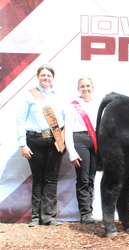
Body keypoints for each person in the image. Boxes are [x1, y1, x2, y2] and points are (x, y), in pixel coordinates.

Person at [16, 64, 65, 227]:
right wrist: (23, 144)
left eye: (48, 75)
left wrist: (62, 139)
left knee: (51, 179)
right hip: (34, 141)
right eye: (43, 75)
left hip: (54, 141)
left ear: (53, 78)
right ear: (38, 77)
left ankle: (49, 217)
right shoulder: (29, 96)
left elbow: (65, 118)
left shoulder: (59, 95)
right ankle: (36, 217)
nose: (46, 78)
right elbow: (20, 121)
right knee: (38, 179)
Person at [65, 77, 99, 224]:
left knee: (91, 178)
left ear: (93, 87)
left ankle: (90, 211)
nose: (86, 89)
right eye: (82, 86)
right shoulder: (73, 105)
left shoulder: (98, 104)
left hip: (95, 141)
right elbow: (68, 130)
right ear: (78, 89)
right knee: (83, 178)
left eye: (88, 86)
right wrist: (71, 151)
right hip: (79, 140)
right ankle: (85, 213)